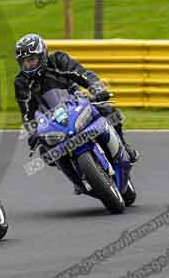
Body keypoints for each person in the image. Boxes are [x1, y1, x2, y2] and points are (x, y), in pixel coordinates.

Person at [13, 33, 139, 193]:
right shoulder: (21, 82)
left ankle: (123, 145)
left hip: (76, 104)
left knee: (109, 111)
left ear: (42, 55)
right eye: (24, 62)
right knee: (45, 152)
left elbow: (84, 74)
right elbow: (26, 113)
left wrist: (97, 89)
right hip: (52, 121)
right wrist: (32, 132)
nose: (28, 65)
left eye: (32, 60)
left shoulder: (58, 60)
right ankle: (77, 175)